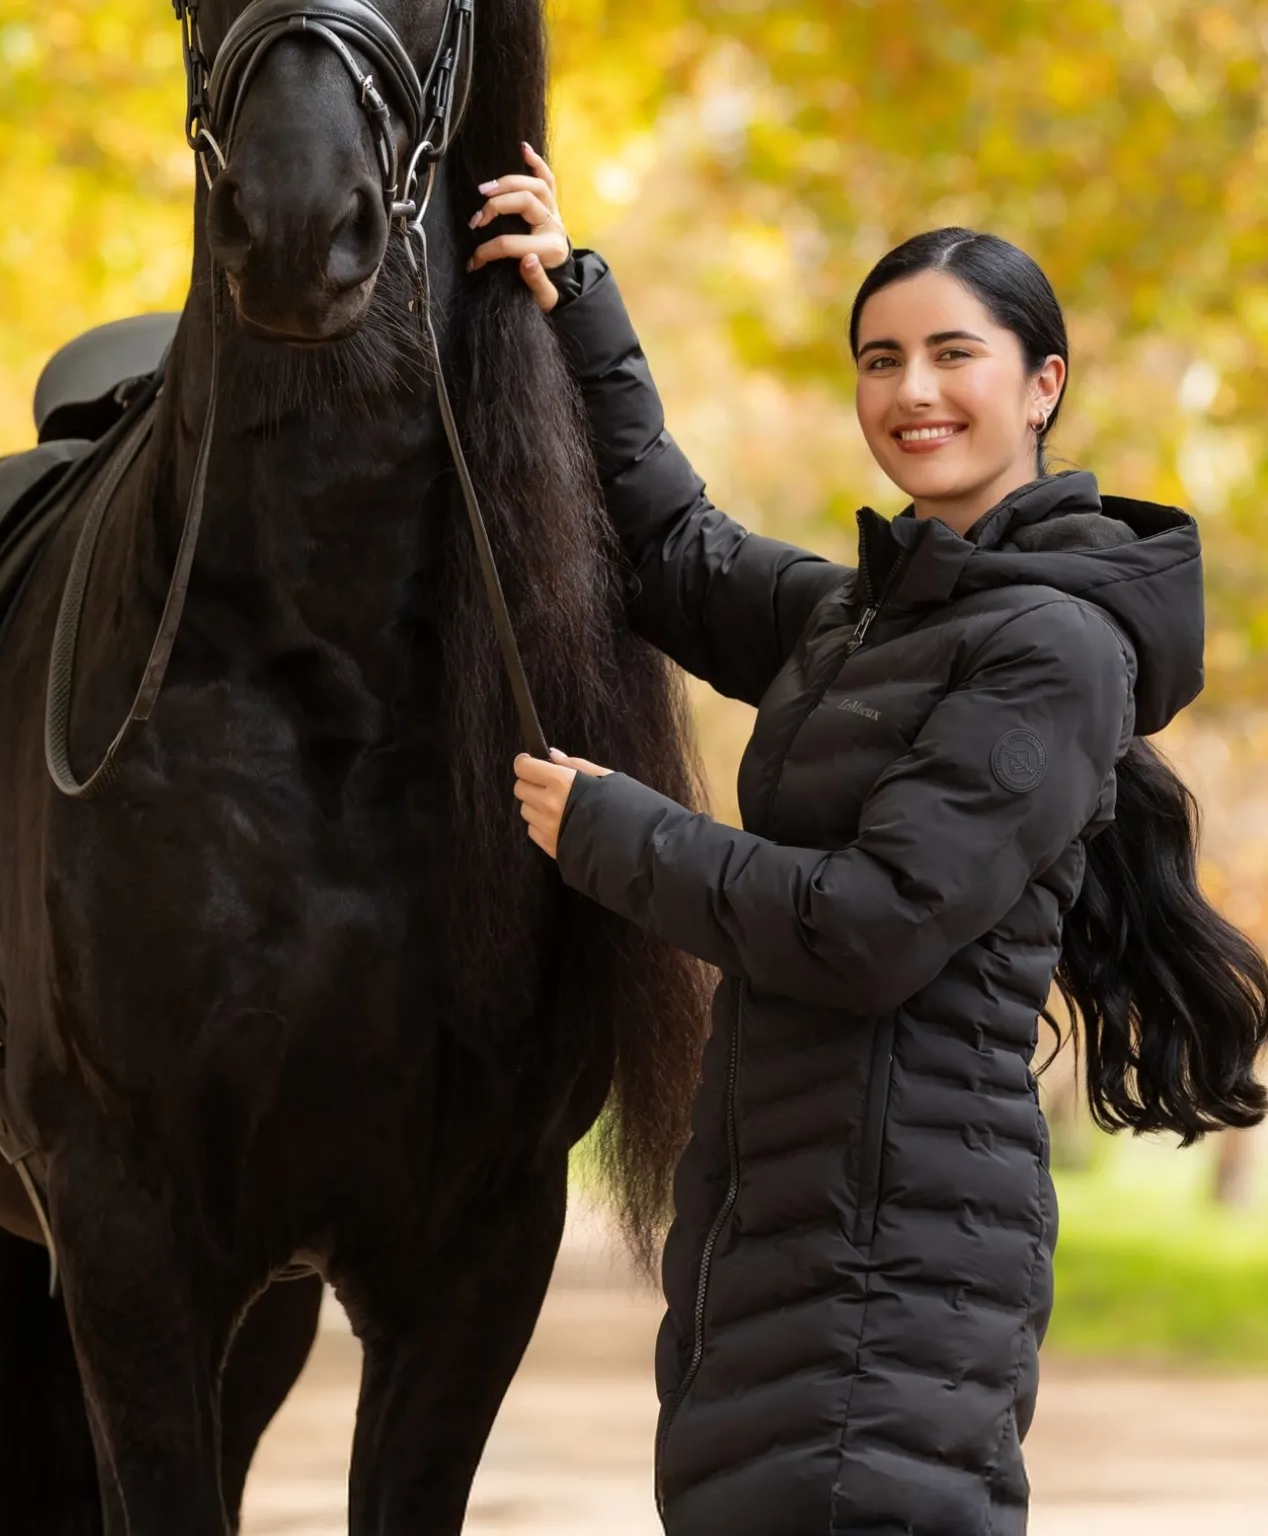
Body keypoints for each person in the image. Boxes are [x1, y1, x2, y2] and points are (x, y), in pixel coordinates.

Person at [469, 147, 1268, 1536]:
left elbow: (868, 925)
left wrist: (613, 827)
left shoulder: (1053, 649)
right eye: (879, 357)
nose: (910, 391)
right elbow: (673, 551)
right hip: (781, 1238)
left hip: (894, 1263)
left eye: (953, 353)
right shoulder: (869, 618)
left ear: (1042, 384)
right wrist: (574, 295)